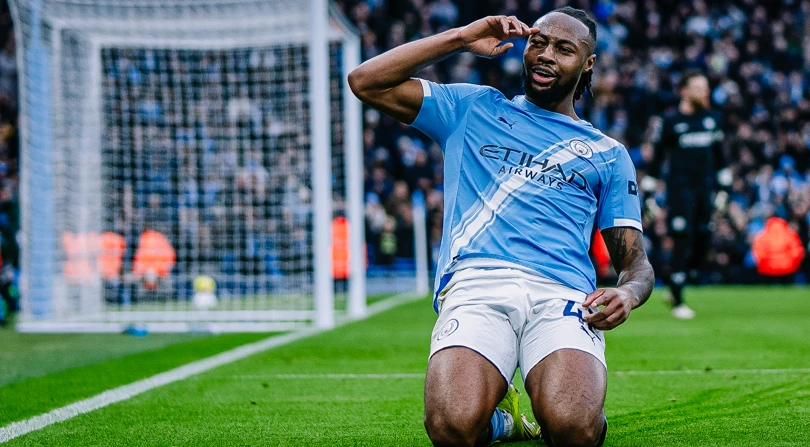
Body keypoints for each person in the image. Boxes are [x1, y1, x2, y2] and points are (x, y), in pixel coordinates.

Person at [350, 7, 654, 447]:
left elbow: (635, 263)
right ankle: (503, 421)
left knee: (573, 429)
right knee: (452, 428)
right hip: (477, 284)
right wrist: (460, 37)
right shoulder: (473, 108)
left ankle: (568, 407)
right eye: (538, 42)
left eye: (564, 49)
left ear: (587, 64)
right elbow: (366, 81)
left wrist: (627, 294)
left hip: (562, 295)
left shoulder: (607, 153)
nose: (546, 54)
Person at [647, 70, 727, 320]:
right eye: (699, 87)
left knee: (704, 237)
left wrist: (724, 190)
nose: (705, 92)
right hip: (680, 191)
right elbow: (657, 160)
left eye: (706, 87)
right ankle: (677, 297)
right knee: (682, 238)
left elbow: (721, 159)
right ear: (684, 90)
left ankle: (683, 276)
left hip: (705, 190)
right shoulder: (670, 121)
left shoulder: (712, 119)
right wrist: (649, 194)